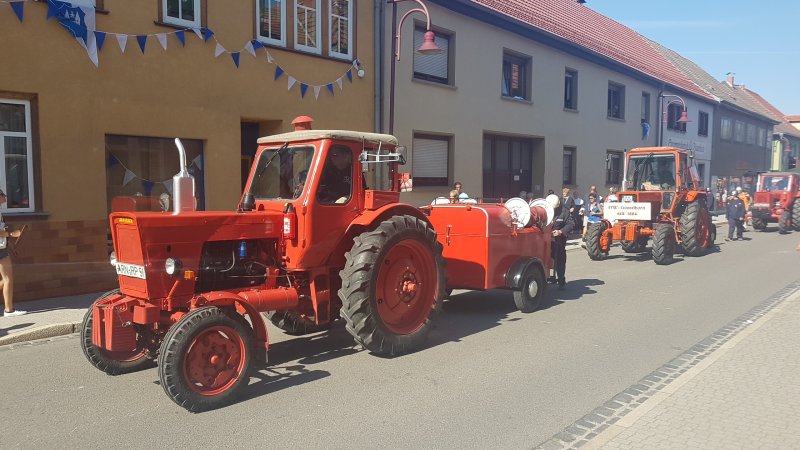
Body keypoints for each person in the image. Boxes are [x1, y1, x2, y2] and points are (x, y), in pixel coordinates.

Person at [0, 190, 24, 317]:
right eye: (3, 195)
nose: (5, 197)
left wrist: (10, 244)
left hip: (2, 248)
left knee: (6, 279)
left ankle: (9, 309)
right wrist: (12, 234)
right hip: (0, 251)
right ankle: (9, 310)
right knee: (8, 279)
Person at [546, 194, 574, 290]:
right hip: (544, 241)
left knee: (560, 261)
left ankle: (561, 280)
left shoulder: (564, 212)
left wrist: (560, 231)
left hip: (558, 241)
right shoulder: (543, 209)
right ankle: (545, 278)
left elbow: (570, 224)